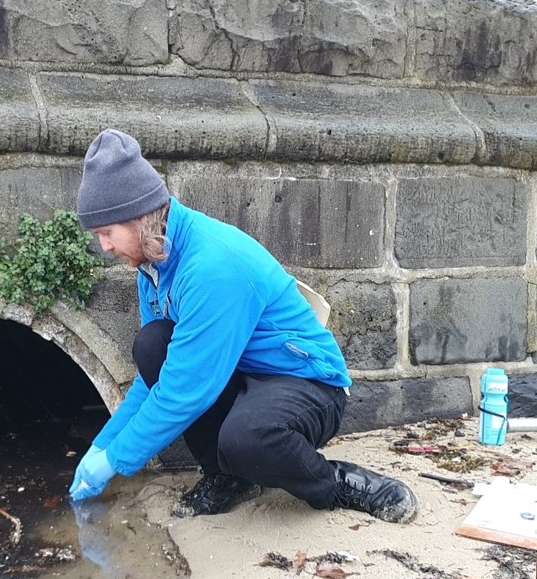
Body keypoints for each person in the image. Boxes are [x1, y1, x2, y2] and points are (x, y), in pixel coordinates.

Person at [67, 128, 418, 524]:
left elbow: (184, 391)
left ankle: (336, 483)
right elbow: (158, 378)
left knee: (247, 438)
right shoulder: (153, 261)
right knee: (152, 344)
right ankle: (228, 478)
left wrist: (114, 461)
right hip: (240, 374)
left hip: (307, 383)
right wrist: (101, 445)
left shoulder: (212, 267)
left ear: (139, 218)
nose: (105, 247)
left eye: (107, 232)